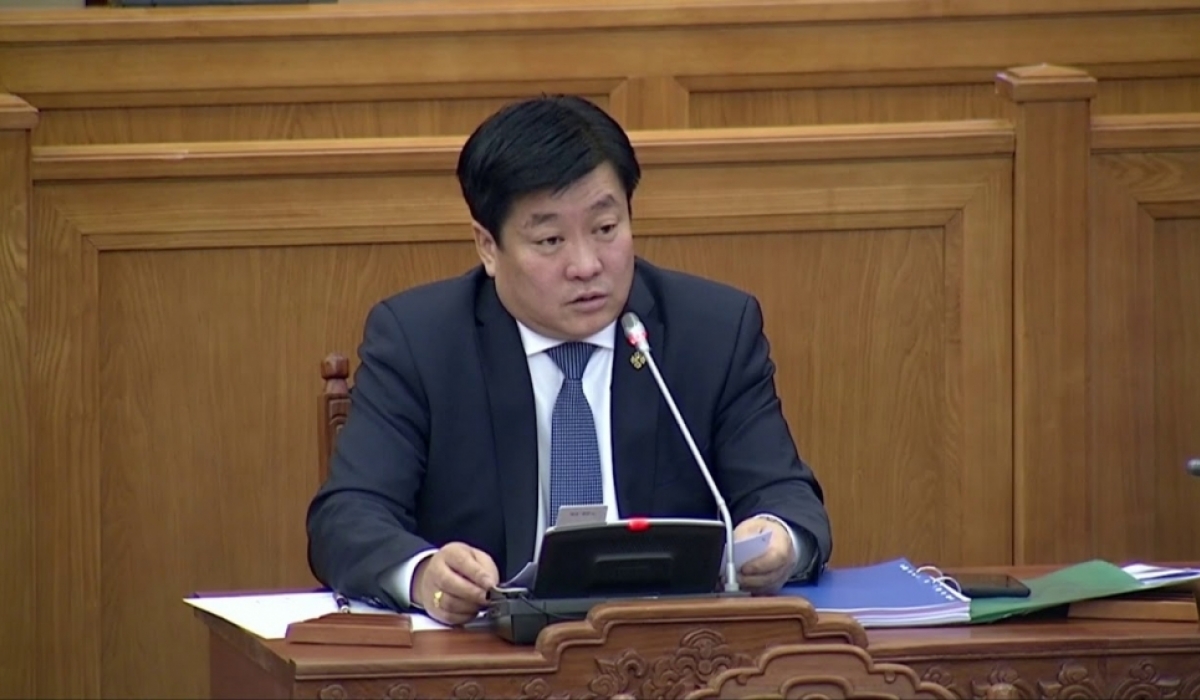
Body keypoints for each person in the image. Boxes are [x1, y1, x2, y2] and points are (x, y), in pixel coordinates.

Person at [306, 95, 832, 626]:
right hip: (489, 651)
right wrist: (423, 575)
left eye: (606, 229)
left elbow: (787, 497)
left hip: (670, 645)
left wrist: (777, 539)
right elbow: (346, 518)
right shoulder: (421, 342)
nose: (586, 265)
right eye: (550, 240)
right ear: (488, 247)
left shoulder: (712, 331)